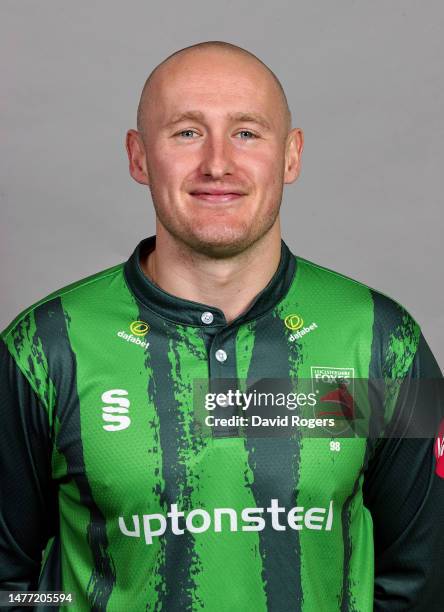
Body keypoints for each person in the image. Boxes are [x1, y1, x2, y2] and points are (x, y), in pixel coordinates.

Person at [1, 40, 443, 612]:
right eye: (186, 132)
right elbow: (9, 584)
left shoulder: (382, 340)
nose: (217, 163)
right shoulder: (46, 346)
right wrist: (62, 605)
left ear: (291, 156)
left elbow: (423, 579)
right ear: (139, 157)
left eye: (247, 133)